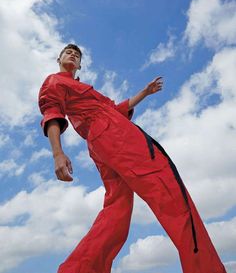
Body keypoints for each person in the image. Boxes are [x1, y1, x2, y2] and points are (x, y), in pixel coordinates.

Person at [38, 43, 226, 273]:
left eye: (77, 55)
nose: (73, 55)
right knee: (168, 189)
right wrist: (57, 153)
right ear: (59, 59)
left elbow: (115, 109)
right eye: (68, 52)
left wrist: (144, 93)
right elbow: (52, 111)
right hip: (114, 135)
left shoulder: (86, 90)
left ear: (80, 65)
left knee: (116, 212)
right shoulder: (54, 81)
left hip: (101, 142)